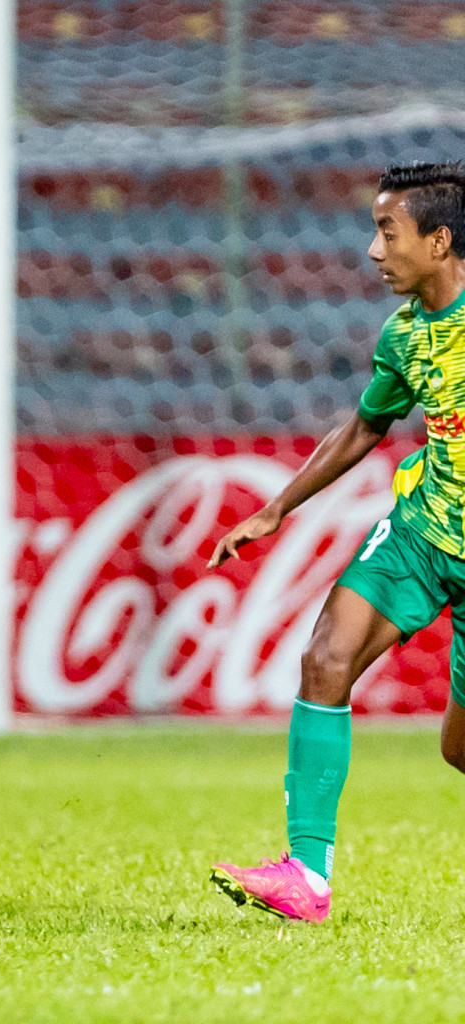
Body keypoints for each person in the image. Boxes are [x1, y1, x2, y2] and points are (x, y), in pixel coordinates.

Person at [209, 161, 465, 923]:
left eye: (388, 231)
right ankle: (306, 875)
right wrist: (277, 508)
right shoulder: (406, 336)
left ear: (439, 239)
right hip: (424, 533)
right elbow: (364, 427)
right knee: (325, 657)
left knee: (459, 750)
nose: (373, 249)